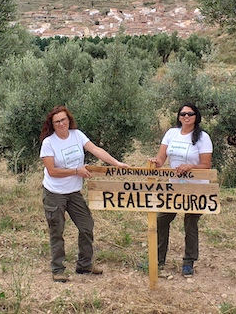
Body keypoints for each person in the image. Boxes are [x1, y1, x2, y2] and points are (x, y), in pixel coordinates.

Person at [39, 105, 129, 283]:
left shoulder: (77, 135)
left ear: (69, 119)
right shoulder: (49, 143)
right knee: (57, 231)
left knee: (86, 225)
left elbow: (96, 150)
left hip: (74, 192)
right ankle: (58, 269)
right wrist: (76, 171)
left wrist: (116, 163)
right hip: (55, 193)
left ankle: (84, 264)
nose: (61, 124)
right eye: (57, 121)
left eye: (64, 119)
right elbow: (52, 171)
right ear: (52, 124)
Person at [149, 103, 213, 278]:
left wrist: (191, 167)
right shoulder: (171, 133)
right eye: (183, 114)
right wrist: (156, 162)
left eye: (190, 114)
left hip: (196, 188)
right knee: (162, 220)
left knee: (190, 223)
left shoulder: (203, 137)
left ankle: (188, 262)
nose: (186, 117)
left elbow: (206, 165)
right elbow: (162, 158)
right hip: (174, 187)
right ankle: (158, 259)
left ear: (196, 117)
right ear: (179, 116)